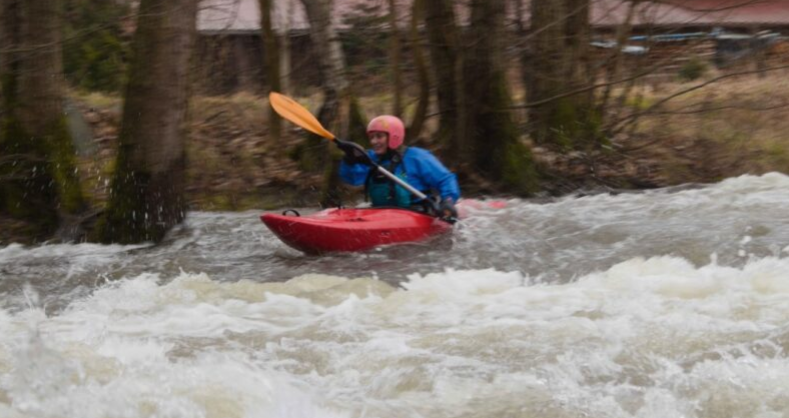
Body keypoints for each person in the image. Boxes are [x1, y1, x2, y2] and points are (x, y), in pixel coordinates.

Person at [338, 115, 460, 219]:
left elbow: (445, 179)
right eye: (372, 137)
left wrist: (448, 201)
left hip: (416, 213)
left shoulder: (417, 157)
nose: (374, 141)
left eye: (379, 136)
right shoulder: (371, 159)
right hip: (381, 214)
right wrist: (349, 161)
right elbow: (353, 179)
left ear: (393, 136)